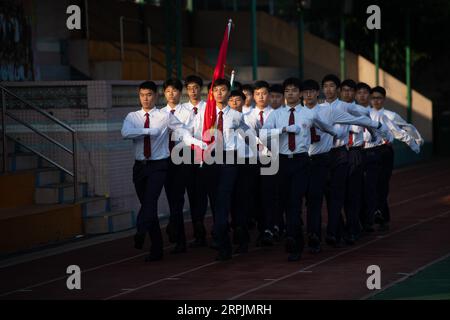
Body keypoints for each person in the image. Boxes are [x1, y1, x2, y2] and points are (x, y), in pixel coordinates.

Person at [121, 81, 203, 262]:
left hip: (161, 165)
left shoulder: (164, 116)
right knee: (147, 206)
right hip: (140, 167)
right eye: (142, 95)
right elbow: (126, 132)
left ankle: (143, 231)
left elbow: (183, 132)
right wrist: (149, 131)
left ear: (155, 96)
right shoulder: (132, 116)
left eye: (149, 94)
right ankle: (156, 247)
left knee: (153, 201)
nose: (145, 98)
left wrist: (197, 143)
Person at [260, 77, 338, 262]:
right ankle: (292, 236)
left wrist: (337, 136)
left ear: (300, 94)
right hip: (282, 161)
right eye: (287, 91)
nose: (290, 94)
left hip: (302, 161)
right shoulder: (276, 115)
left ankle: (296, 243)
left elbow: (327, 128)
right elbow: (262, 134)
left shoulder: (308, 114)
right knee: (285, 202)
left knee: (295, 202)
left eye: (294, 90)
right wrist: (284, 130)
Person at [302, 79, 381, 252]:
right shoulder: (309, 110)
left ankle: (339, 231)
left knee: (339, 195)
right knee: (316, 198)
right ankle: (323, 233)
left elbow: (361, 115)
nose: (329, 89)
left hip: (339, 153)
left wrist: (376, 129)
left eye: (332, 86)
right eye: (326, 86)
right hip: (314, 157)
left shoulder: (341, 107)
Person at [185, 78, 252, 261]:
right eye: (216, 90)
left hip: (230, 160)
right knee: (216, 202)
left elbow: (248, 134)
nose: (220, 93)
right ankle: (223, 241)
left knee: (225, 200)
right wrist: (199, 143)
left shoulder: (236, 116)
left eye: (223, 90)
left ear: (228, 93)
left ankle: (227, 238)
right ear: (212, 94)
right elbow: (186, 133)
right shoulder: (205, 114)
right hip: (210, 161)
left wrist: (261, 150)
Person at [365, 86, 421, 231]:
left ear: (384, 99)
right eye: (374, 98)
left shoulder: (390, 115)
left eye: (379, 98)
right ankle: (375, 214)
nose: (376, 101)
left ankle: (381, 214)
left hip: (385, 151)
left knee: (382, 183)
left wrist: (416, 142)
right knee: (371, 184)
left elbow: (405, 128)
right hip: (369, 151)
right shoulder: (365, 113)